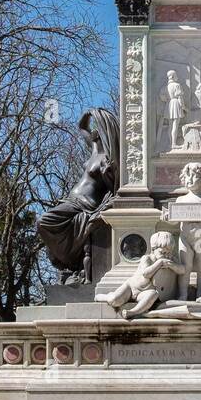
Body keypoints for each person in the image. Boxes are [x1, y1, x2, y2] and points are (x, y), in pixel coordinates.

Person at [36, 108, 119, 278]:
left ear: (105, 131)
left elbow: (114, 187)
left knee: (44, 221)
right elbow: (82, 127)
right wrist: (90, 113)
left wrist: (107, 174)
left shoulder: (107, 159)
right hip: (72, 200)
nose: (94, 130)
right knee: (45, 223)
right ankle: (71, 261)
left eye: (99, 126)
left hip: (85, 204)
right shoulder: (95, 149)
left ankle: (69, 259)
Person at [104, 232, 185, 319]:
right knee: (115, 300)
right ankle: (104, 297)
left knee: (153, 294)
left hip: (144, 292)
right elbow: (146, 274)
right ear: (153, 250)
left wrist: (172, 265)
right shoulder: (147, 258)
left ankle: (133, 312)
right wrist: (159, 263)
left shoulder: (171, 260)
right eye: (163, 252)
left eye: (169, 253)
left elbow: (182, 270)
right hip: (132, 287)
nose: (166, 256)